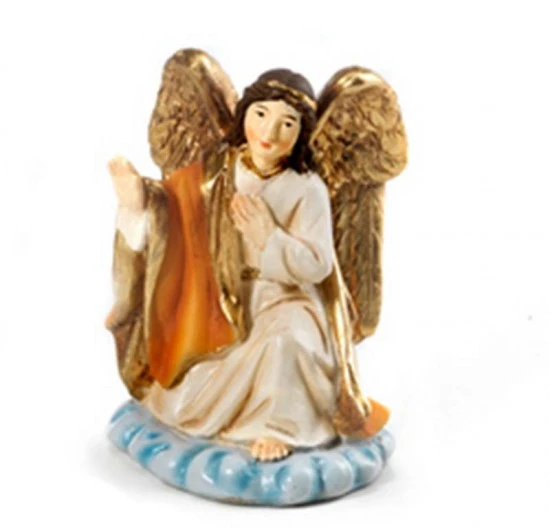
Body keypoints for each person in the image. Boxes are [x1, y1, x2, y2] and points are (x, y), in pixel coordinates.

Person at [107, 69, 390, 461]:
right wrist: (138, 203)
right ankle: (206, 417)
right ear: (244, 115)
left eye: (287, 123)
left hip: (289, 299)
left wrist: (269, 237)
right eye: (260, 114)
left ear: (302, 133)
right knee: (191, 381)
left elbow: (319, 264)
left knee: (285, 345)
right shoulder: (217, 173)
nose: (269, 131)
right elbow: (178, 215)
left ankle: (280, 427)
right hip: (222, 298)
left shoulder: (307, 188)